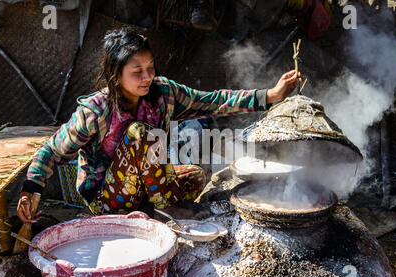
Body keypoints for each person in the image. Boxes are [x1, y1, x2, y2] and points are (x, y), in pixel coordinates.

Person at [16, 27, 302, 223]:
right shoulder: (96, 110)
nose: (147, 76)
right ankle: (166, 211)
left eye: (150, 67)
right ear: (116, 74)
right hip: (107, 196)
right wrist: (31, 190)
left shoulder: (165, 93)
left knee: (197, 174)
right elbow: (51, 151)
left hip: (145, 189)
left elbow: (212, 100)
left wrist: (271, 95)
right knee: (140, 133)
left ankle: (152, 209)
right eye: (137, 71)